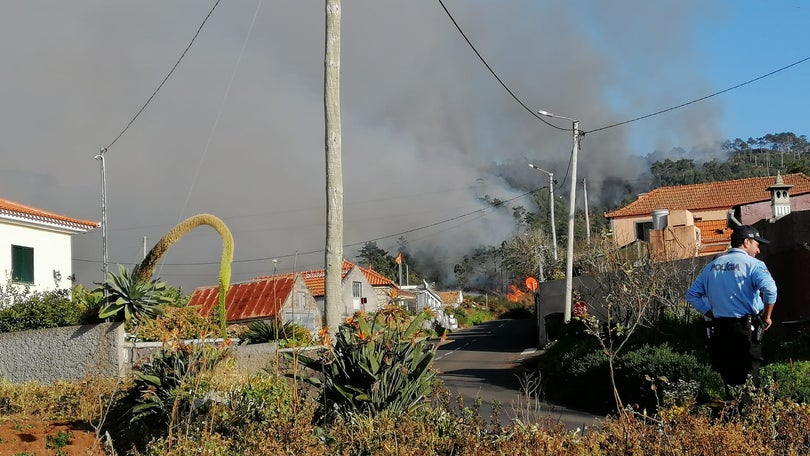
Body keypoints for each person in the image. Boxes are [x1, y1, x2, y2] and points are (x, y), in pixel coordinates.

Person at [686, 225, 777, 395]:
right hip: (746, 328)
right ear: (746, 242)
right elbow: (771, 290)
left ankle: (732, 415)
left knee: (730, 376)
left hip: (720, 328)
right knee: (750, 374)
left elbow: (692, 294)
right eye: (756, 244)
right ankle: (748, 416)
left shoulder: (712, 266)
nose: (758, 250)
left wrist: (709, 312)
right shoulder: (754, 265)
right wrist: (767, 316)